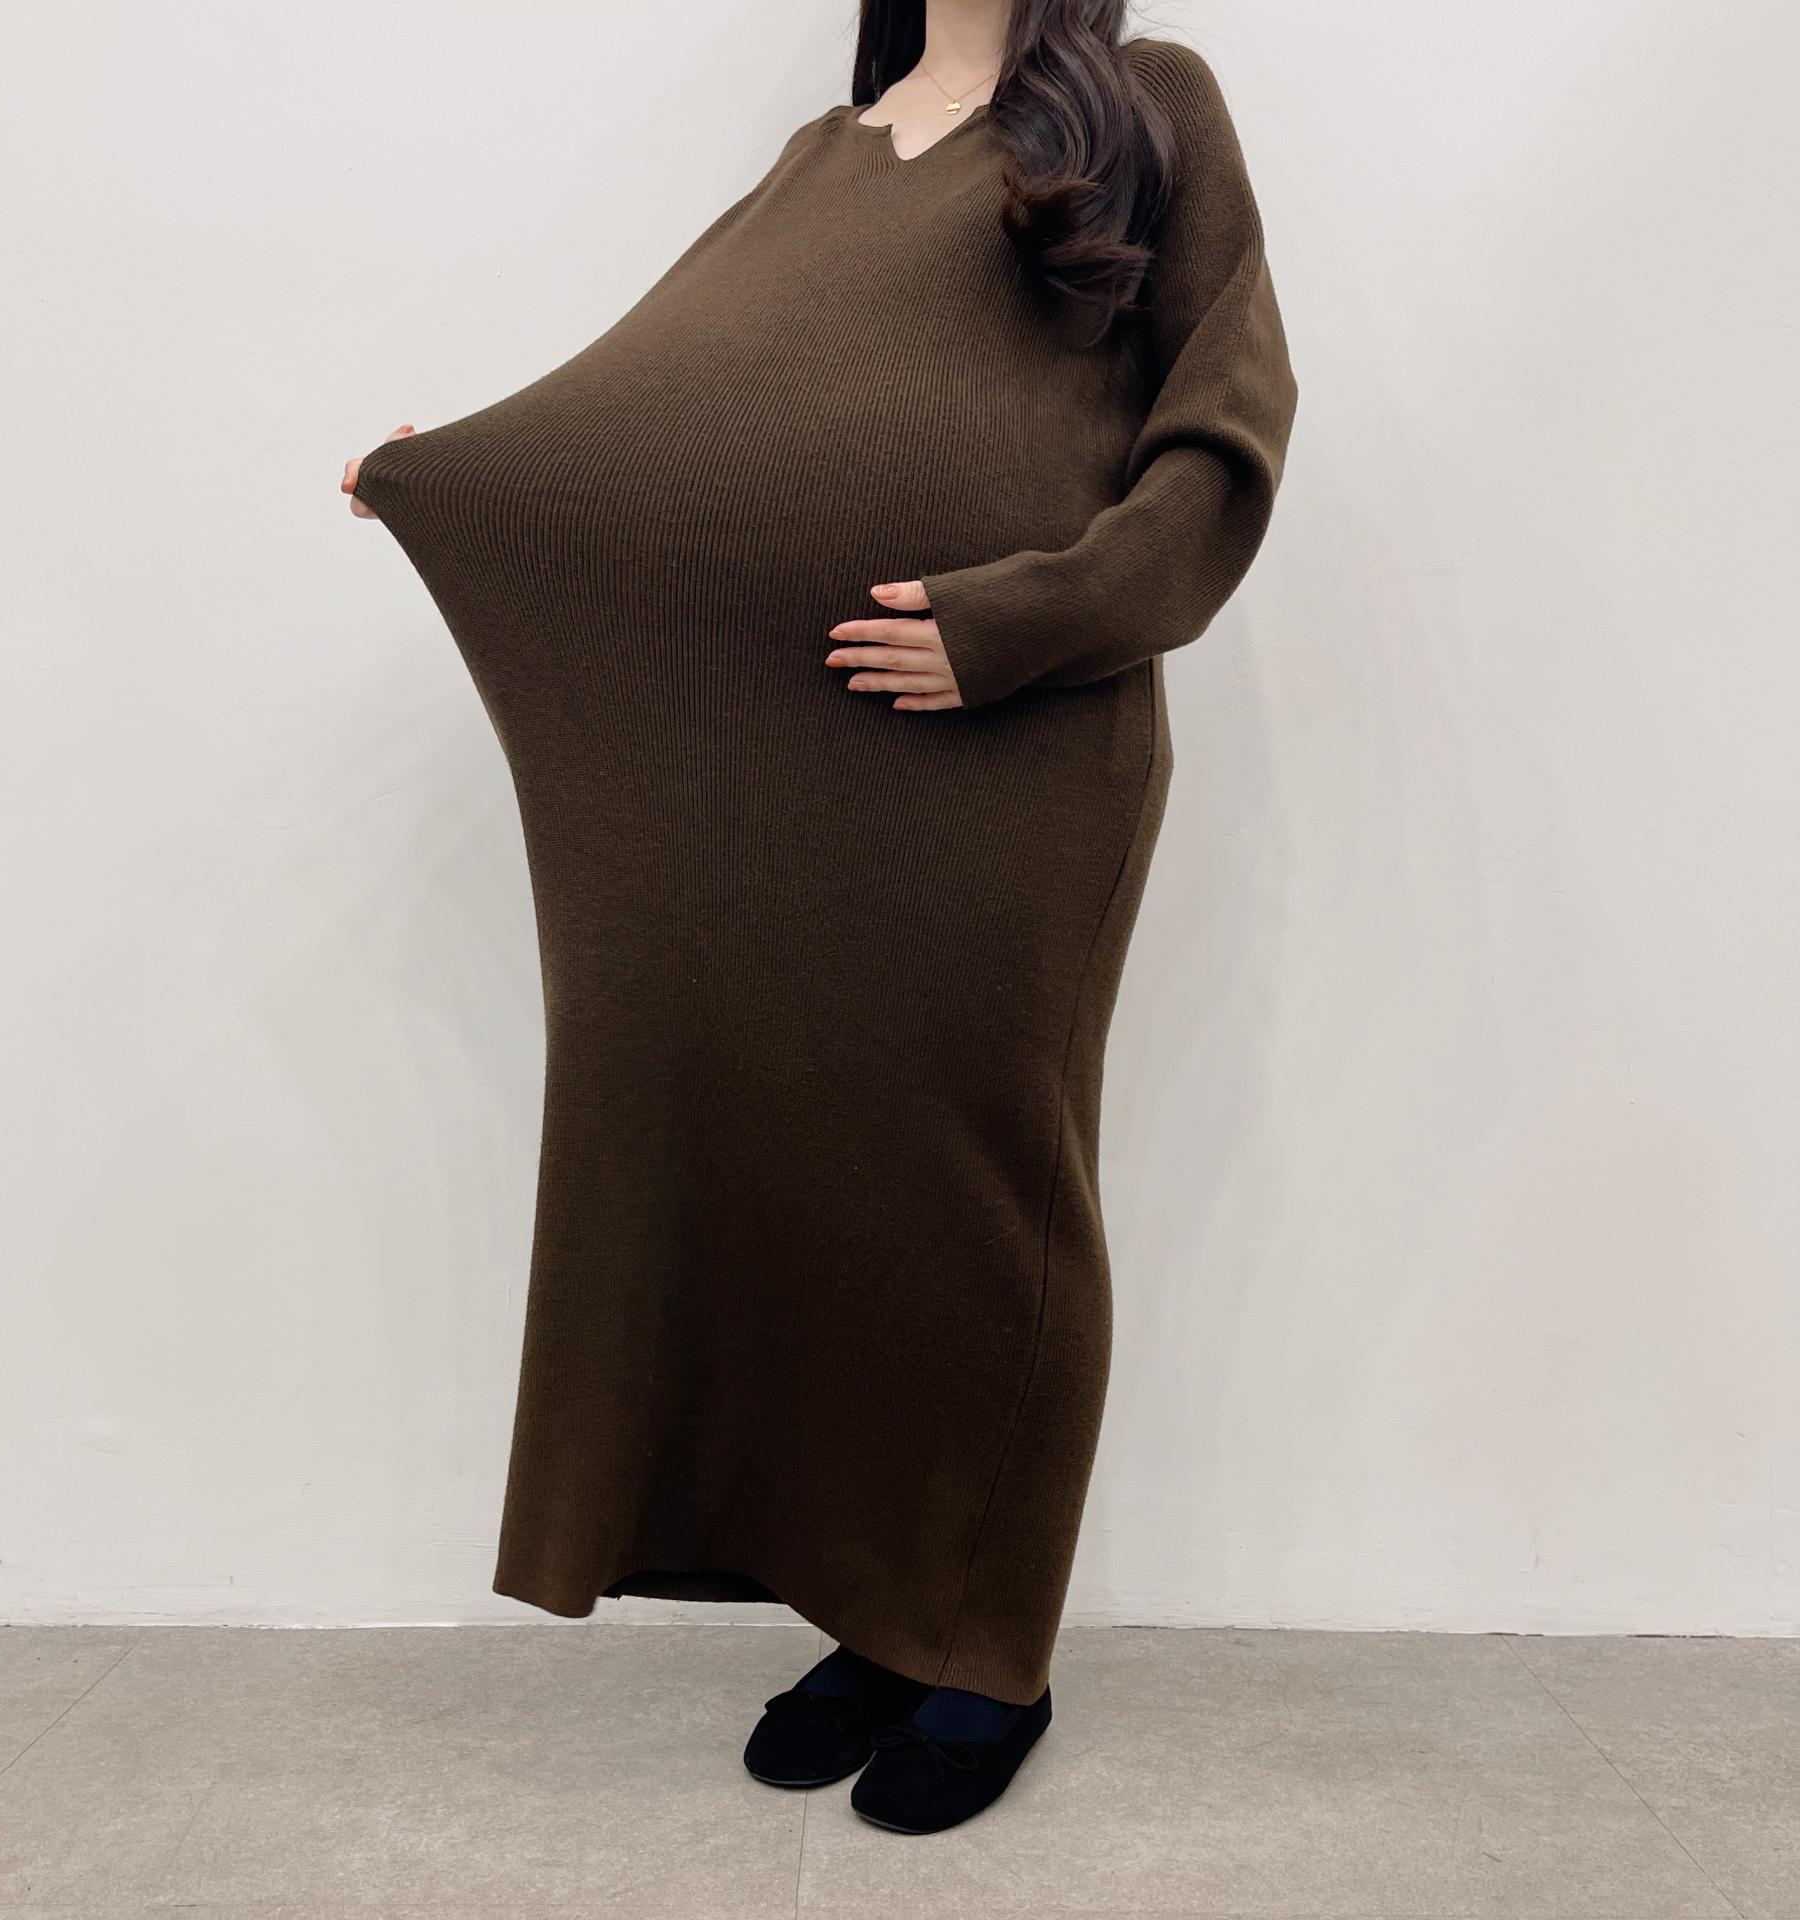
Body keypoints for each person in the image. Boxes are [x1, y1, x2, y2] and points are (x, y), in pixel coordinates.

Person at [341, 0, 1295, 1835]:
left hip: (1022, 745)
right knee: (826, 1185)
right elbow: (643, 404)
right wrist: (450, 469)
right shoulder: (825, 153)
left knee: (982, 1189)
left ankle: (989, 1651)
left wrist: (1015, 623)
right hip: (806, 764)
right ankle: (883, 1611)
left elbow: (1221, 445)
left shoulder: (1150, 106)